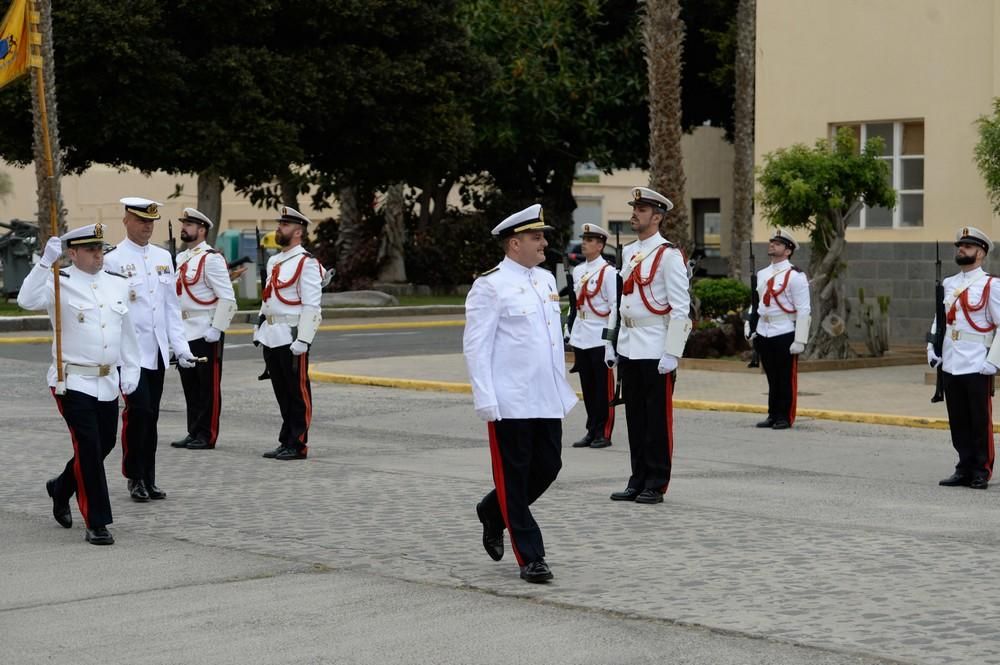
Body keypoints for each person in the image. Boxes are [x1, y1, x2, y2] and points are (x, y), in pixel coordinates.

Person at [464, 204, 578, 584]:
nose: (544, 242)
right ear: (514, 244)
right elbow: (476, 347)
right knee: (514, 477)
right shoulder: (490, 285)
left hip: (546, 395)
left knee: (548, 467)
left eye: (542, 236)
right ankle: (531, 556)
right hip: (510, 399)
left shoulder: (545, 280)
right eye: (536, 237)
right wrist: (486, 398)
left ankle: (492, 510)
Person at [18, 224, 141, 545]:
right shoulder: (59, 282)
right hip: (72, 380)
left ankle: (61, 487)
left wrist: (131, 368)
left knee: (106, 444)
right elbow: (25, 300)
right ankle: (97, 522)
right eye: (90, 249)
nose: (99, 254)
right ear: (72, 253)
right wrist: (45, 263)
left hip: (107, 379)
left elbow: (125, 330)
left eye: (100, 248)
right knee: (87, 447)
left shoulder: (116, 283)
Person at [103, 197, 197, 502]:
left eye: (151, 222)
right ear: (126, 220)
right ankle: (134, 476)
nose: (147, 227)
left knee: (151, 416)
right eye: (141, 221)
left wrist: (180, 348)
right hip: (129, 354)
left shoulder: (162, 257)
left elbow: (171, 307)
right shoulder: (114, 259)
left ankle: (149, 476)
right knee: (139, 412)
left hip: (155, 351)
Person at [609, 187, 691, 505]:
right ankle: (637, 478)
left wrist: (673, 352)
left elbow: (681, 309)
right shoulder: (630, 253)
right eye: (635, 208)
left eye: (641, 209)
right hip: (630, 345)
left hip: (656, 347)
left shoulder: (668, 255)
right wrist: (611, 345)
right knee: (636, 419)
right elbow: (621, 302)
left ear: (656, 217)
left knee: (656, 421)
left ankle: (656, 482)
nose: (635, 213)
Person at [930, 227, 1000, 490]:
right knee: (957, 418)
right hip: (951, 359)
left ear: (980, 253)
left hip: (977, 361)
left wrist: (993, 361)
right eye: (960, 246)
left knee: (979, 419)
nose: (961, 250)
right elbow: (939, 319)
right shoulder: (949, 283)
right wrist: (931, 348)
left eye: (968, 247)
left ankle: (981, 469)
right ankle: (964, 466)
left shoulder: (991, 285)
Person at [255, 206, 323, 461]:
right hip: (272, 333)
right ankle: (286, 439)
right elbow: (268, 297)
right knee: (282, 391)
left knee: (297, 391)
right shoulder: (275, 260)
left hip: (292, 335)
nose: (278, 229)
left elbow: (312, 306)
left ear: (298, 231)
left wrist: (304, 339)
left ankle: (298, 443)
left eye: (284, 225)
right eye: (279, 224)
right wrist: (259, 325)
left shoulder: (307, 263)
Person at [169, 208, 237, 451]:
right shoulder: (181, 258)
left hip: (205, 329)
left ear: (202, 229)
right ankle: (194, 430)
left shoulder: (211, 258)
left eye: (189, 224)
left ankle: (207, 434)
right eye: (183, 223)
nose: (184, 227)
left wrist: (217, 328)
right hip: (184, 331)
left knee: (207, 387)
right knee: (190, 386)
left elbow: (228, 298)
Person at [747, 229, 811, 430]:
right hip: (765, 330)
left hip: (784, 330)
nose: (772, 245)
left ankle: (785, 416)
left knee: (785, 377)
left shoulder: (796, 276)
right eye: (772, 242)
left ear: (788, 250)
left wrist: (800, 339)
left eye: (778, 243)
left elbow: (804, 309)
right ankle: (772, 414)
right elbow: (756, 303)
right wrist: (750, 324)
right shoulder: (762, 274)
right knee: (772, 376)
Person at [567, 223, 617, 449]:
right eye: (584, 239)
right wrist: (569, 326)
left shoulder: (608, 272)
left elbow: (615, 307)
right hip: (582, 334)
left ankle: (604, 432)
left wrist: (610, 341)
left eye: (589, 240)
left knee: (602, 389)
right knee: (588, 387)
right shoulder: (579, 271)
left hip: (599, 335)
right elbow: (574, 303)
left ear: (600, 245)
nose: (584, 244)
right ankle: (591, 429)